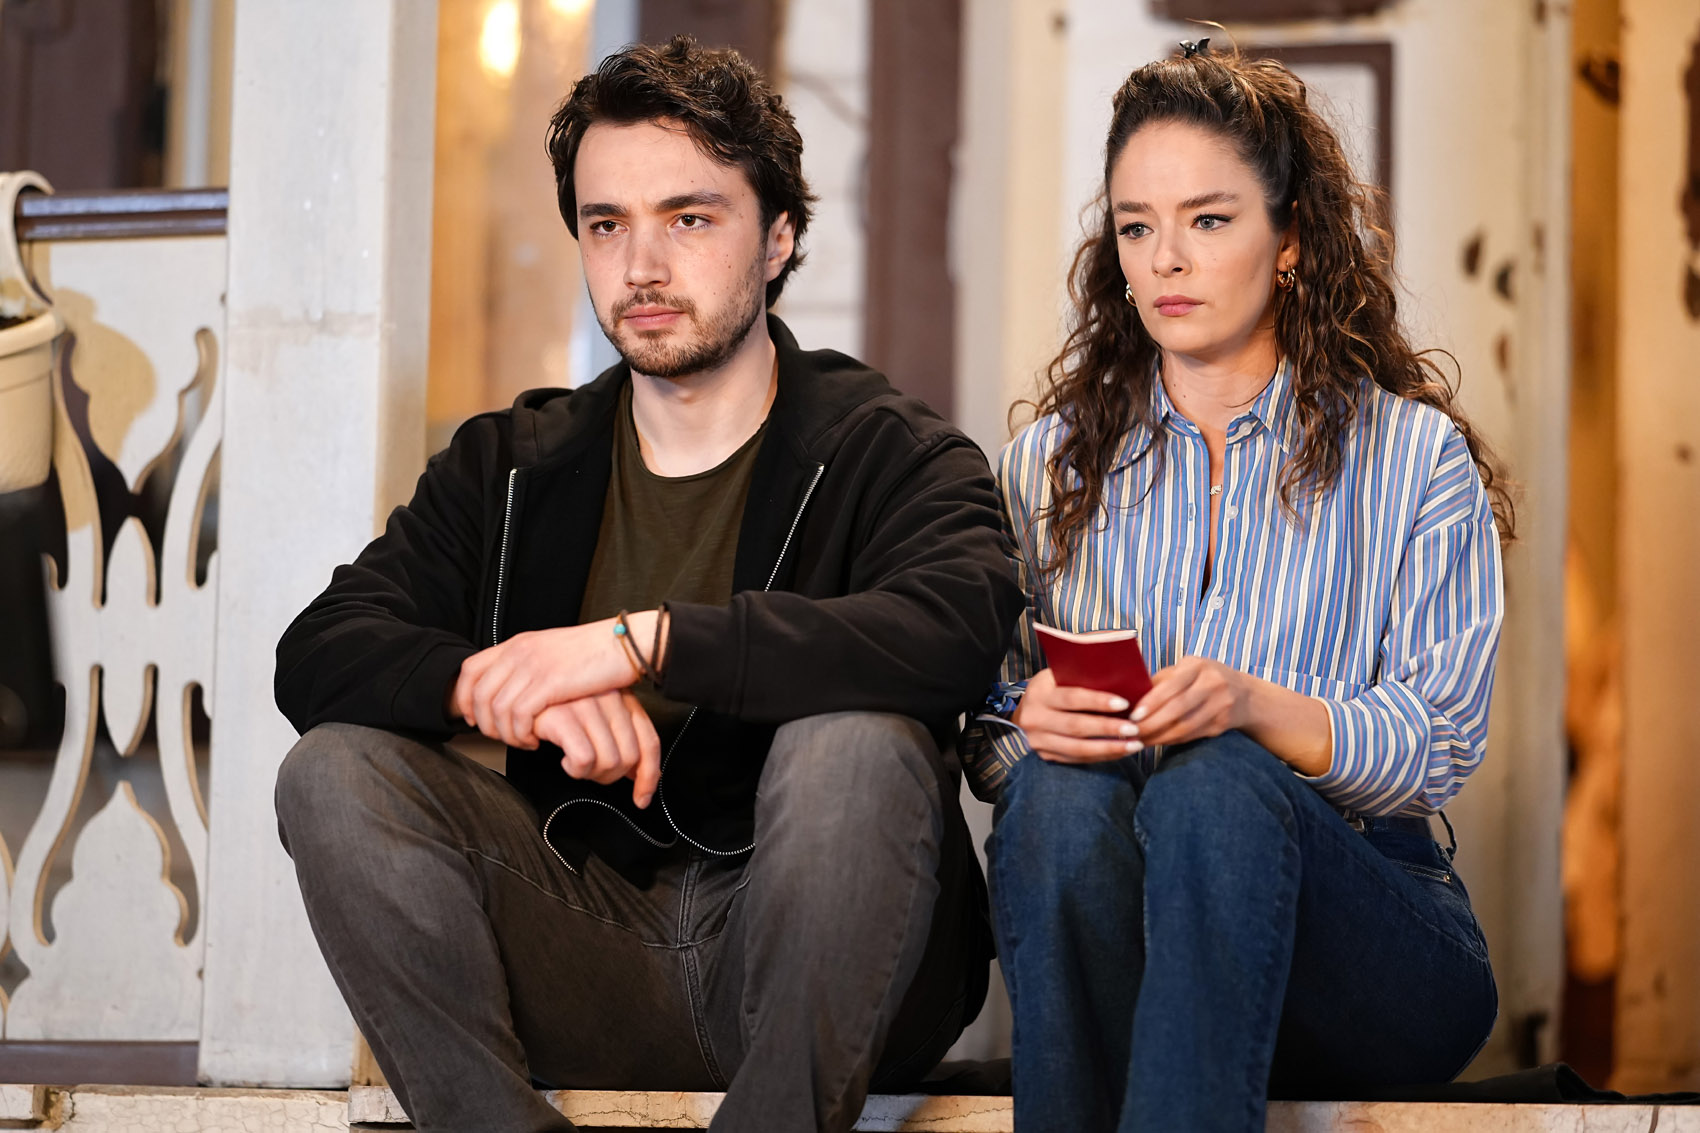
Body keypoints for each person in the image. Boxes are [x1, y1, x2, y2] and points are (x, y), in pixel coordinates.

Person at [273, 37, 1022, 1133]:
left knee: (857, 743)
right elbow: (320, 648)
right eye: (606, 224)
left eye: (689, 218)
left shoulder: (888, 450)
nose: (641, 266)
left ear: (779, 235)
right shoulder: (512, 464)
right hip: (584, 942)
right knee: (333, 770)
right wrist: (502, 684)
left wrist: (645, 642)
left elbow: (952, 629)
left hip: (817, 961)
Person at [961, 41, 1513, 1133]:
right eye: (1135, 227)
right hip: (1127, 942)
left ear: (1291, 238)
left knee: (1216, 780)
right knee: (1055, 796)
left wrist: (1255, 708)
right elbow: (985, 725)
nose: (1166, 259)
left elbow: (1441, 737)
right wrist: (1026, 722)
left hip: (1369, 944)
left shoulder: (1413, 458)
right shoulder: (1044, 467)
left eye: (1208, 220)